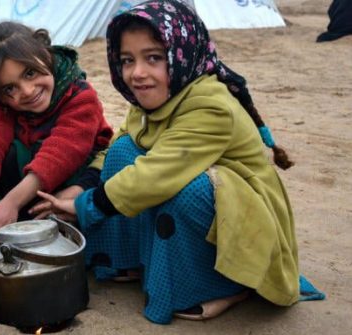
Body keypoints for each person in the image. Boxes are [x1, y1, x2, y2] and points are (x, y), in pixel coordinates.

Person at [35, 0, 301, 324]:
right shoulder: (155, 96)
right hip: (193, 184)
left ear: (181, 52)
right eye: (127, 60)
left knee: (186, 190)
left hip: (244, 210)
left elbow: (157, 174)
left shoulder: (209, 104)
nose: (137, 73)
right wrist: (79, 189)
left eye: (154, 58)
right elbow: (116, 148)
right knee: (123, 153)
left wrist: (86, 206)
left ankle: (228, 285)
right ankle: (132, 259)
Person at [0, 22, 113, 247]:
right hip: (33, 188)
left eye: (30, 73)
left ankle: (36, 220)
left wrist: (11, 202)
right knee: (6, 152)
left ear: (45, 53)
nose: (27, 91)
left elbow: (59, 155)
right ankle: (20, 223)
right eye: (10, 88)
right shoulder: (8, 108)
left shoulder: (80, 96)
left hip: (82, 180)